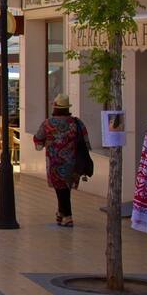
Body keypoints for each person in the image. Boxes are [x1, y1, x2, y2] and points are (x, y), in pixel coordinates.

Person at [33, 93, 90, 227]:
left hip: (54, 163)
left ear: (55, 107)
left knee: (60, 189)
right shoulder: (77, 122)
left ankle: (67, 216)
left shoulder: (48, 123)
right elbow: (86, 141)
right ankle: (60, 212)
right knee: (65, 188)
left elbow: (38, 139)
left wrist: (46, 143)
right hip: (73, 163)